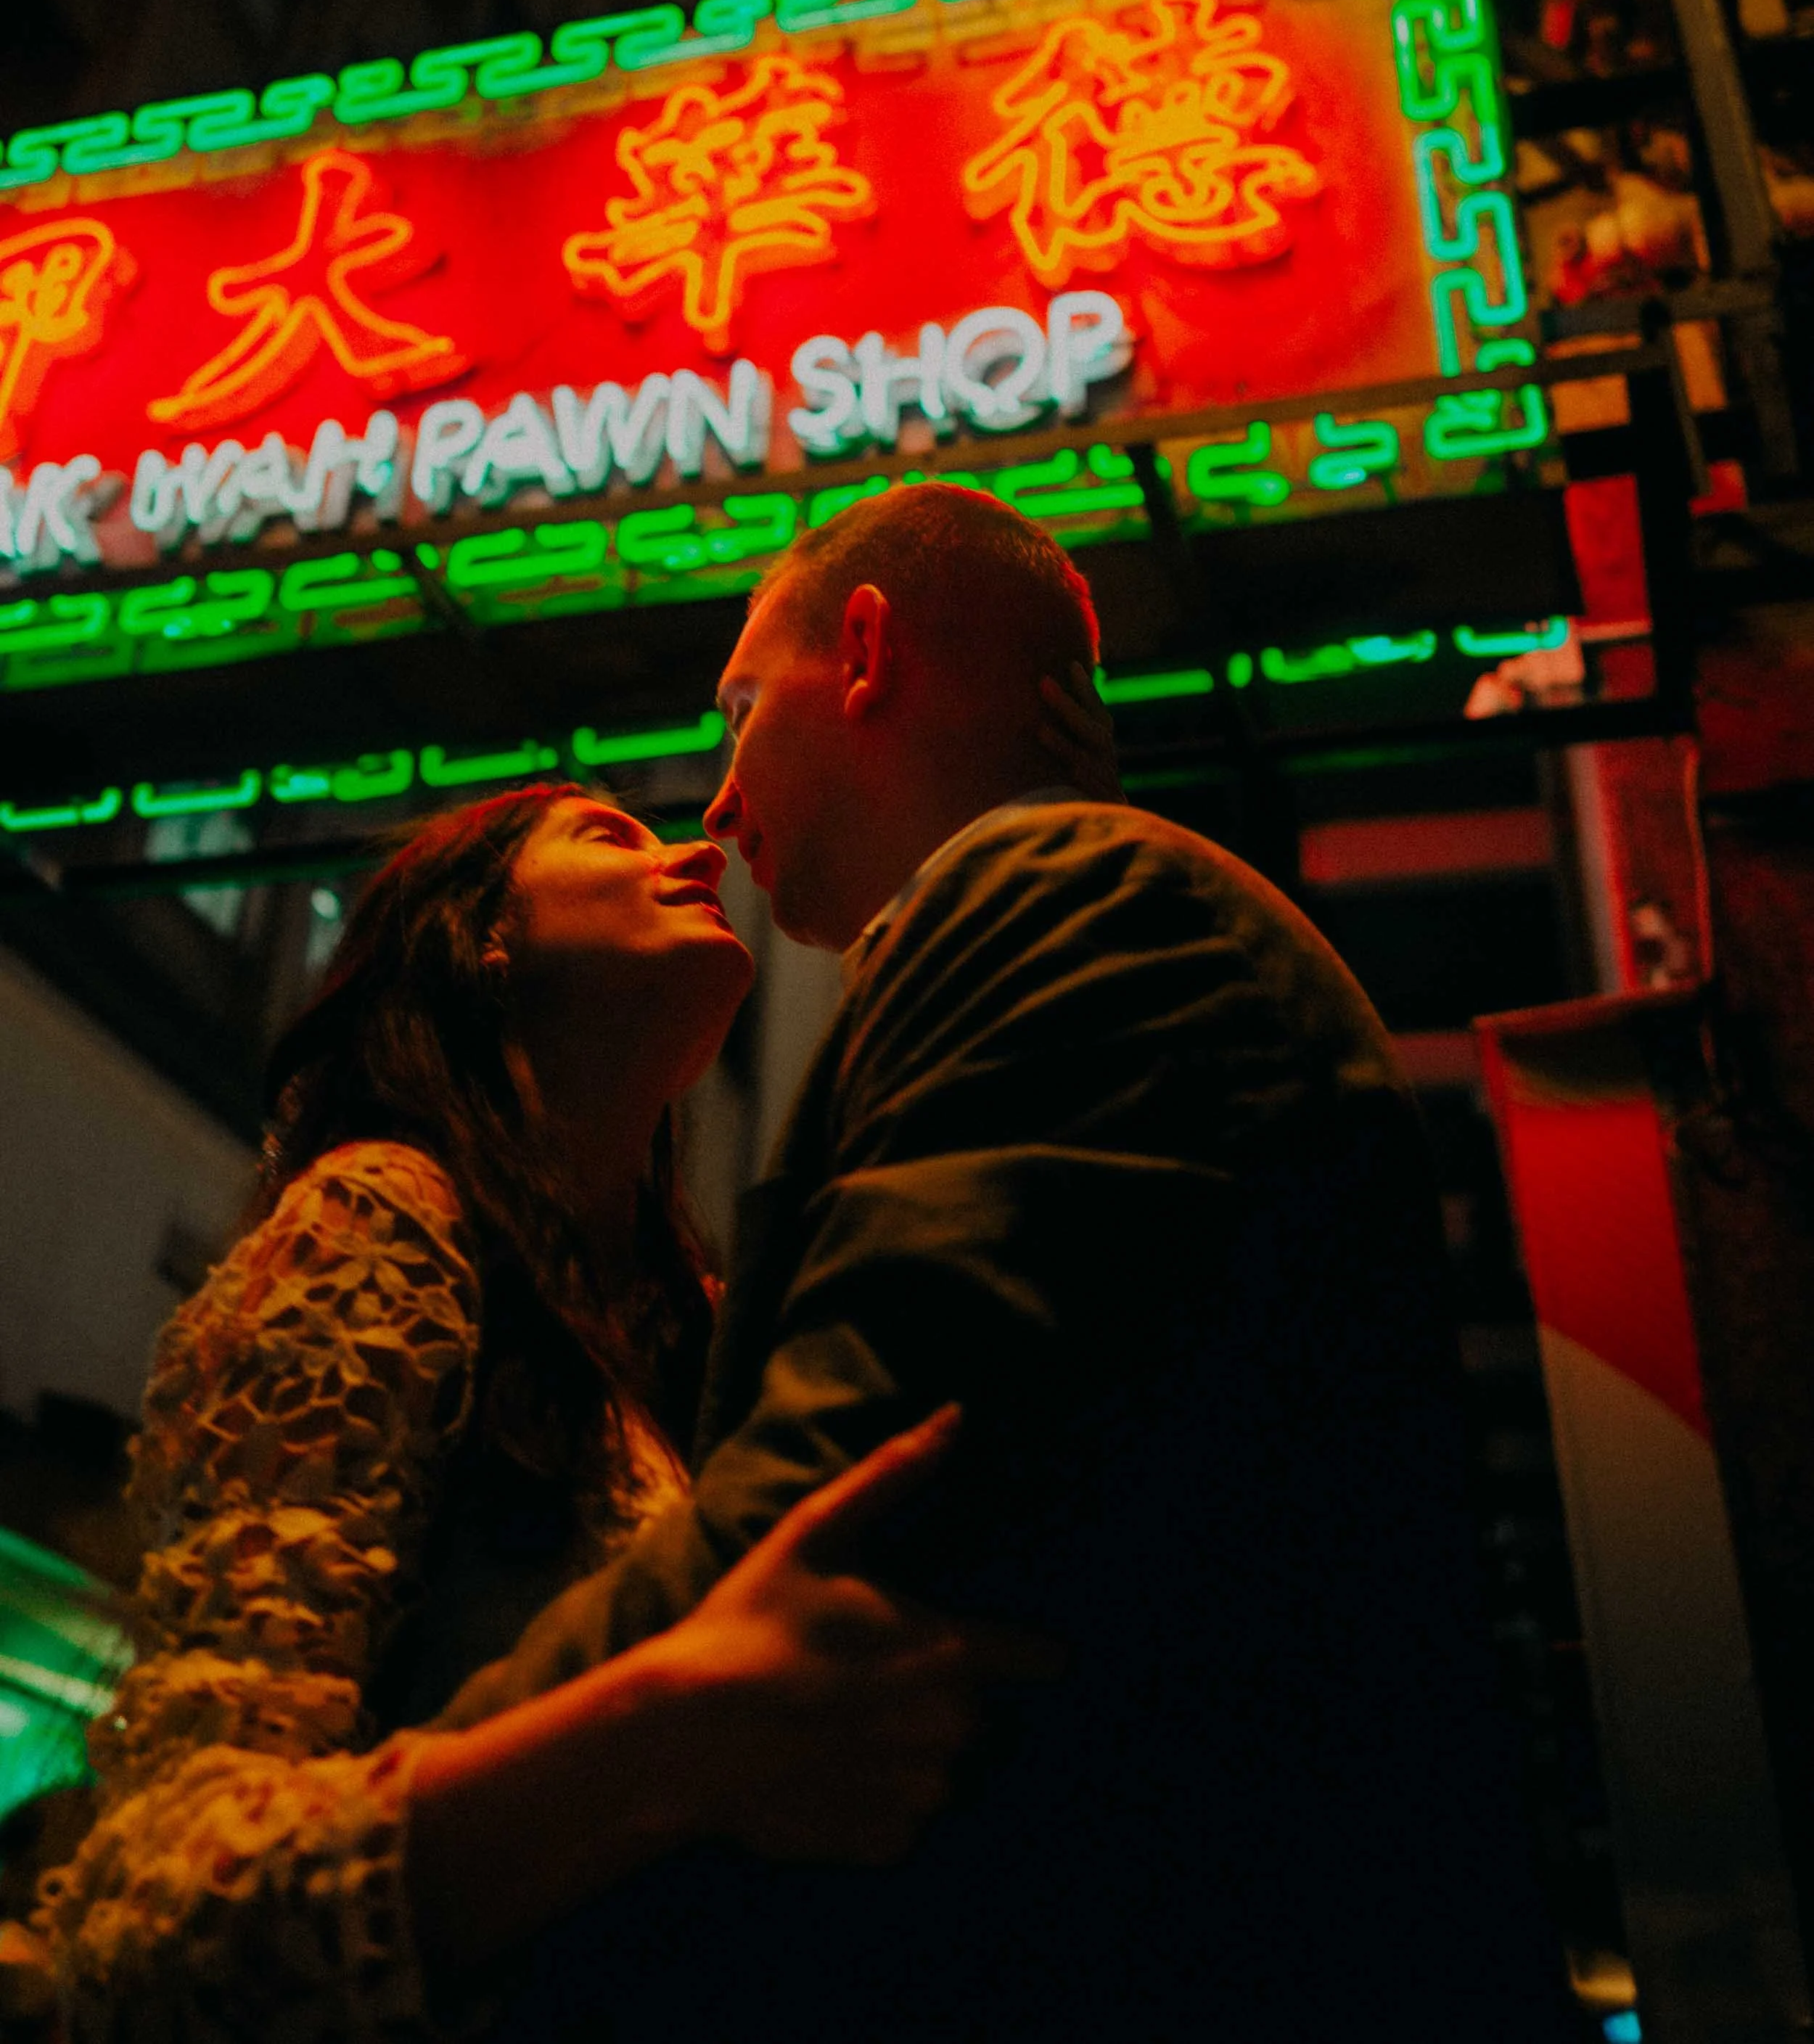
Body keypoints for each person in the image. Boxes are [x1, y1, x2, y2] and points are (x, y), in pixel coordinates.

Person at [443, 483, 1572, 2044]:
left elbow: (841, 1503)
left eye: (737, 709)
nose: (711, 805)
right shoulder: (1041, 912)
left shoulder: (1060, 895)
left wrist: (382, 1836)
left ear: (862, 648)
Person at [4, 788, 1051, 2044]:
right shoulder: (381, 1217)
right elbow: (165, 1909)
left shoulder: (679, 1339)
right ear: (481, 937)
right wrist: (674, 1728)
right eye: (610, 833)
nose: (695, 848)